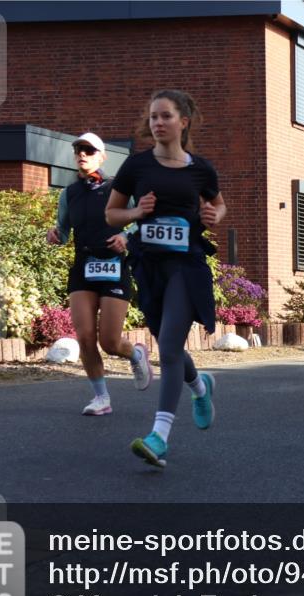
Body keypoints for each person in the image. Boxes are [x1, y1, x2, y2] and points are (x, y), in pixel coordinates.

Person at [105, 90, 227, 468]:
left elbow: (219, 204)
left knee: (170, 347)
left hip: (186, 265)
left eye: (166, 116)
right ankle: (199, 386)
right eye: (154, 117)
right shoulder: (136, 167)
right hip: (149, 266)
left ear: (183, 122)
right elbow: (111, 214)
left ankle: (159, 436)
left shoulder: (201, 169)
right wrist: (135, 212)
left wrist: (214, 216)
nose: (158, 123)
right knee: (170, 346)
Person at [47, 132, 154, 415]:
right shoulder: (69, 194)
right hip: (83, 266)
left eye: (89, 150)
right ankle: (101, 398)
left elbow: (141, 221)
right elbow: (64, 230)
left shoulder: (118, 189)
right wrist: (56, 234)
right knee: (84, 337)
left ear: (102, 156)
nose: (83, 154)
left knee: (109, 341)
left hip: (114, 266)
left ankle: (135, 353)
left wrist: (126, 237)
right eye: (79, 150)